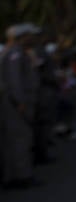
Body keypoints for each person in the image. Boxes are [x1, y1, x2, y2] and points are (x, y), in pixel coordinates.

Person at [1, 23, 40, 190]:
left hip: (11, 102)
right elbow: (15, 80)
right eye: (29, 35)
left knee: (11, 140)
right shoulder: (15, 53)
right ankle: (22, 176)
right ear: (21, 37)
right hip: (14, 103)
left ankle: (12, 176)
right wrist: (21, 101)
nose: (32, 38)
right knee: (20, 139)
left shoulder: (10, 52)